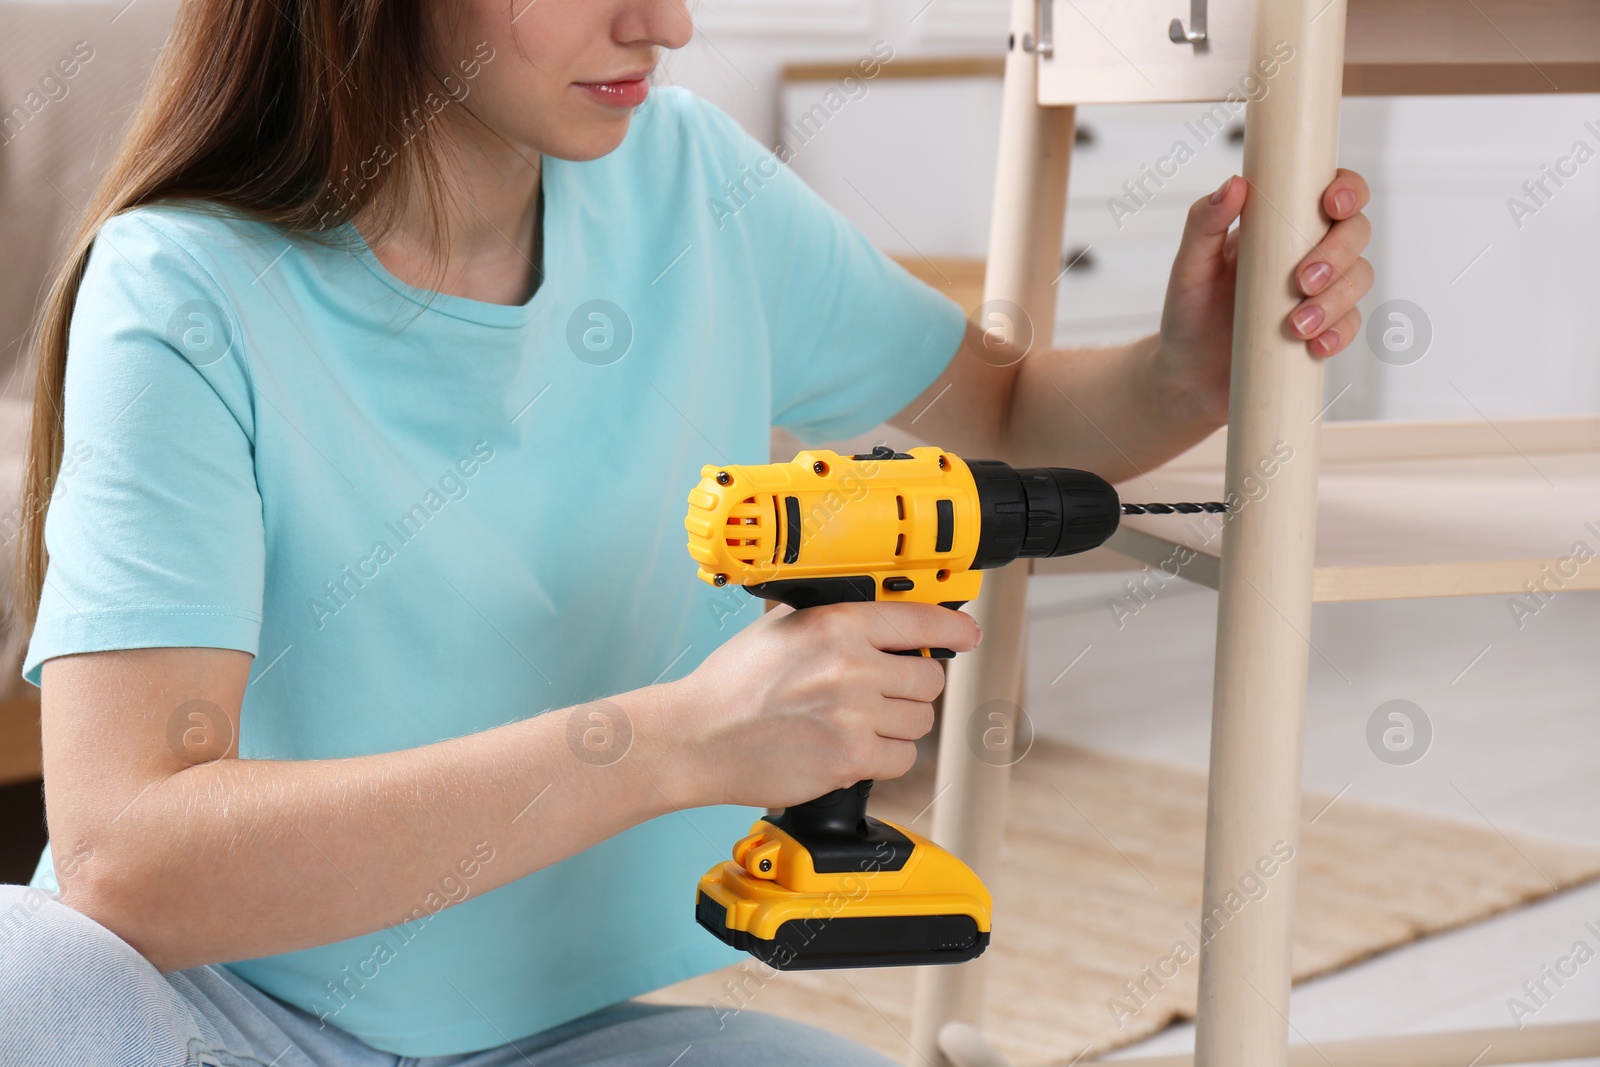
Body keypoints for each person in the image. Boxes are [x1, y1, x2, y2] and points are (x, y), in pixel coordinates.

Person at [0, 0, 1374, 1063]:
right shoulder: (184, 291)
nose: (667, 21)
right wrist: (677, 741)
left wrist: (1187, 369)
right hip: (215, 1027)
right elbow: (133, 855)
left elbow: (1000, 407)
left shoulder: (686, 181)